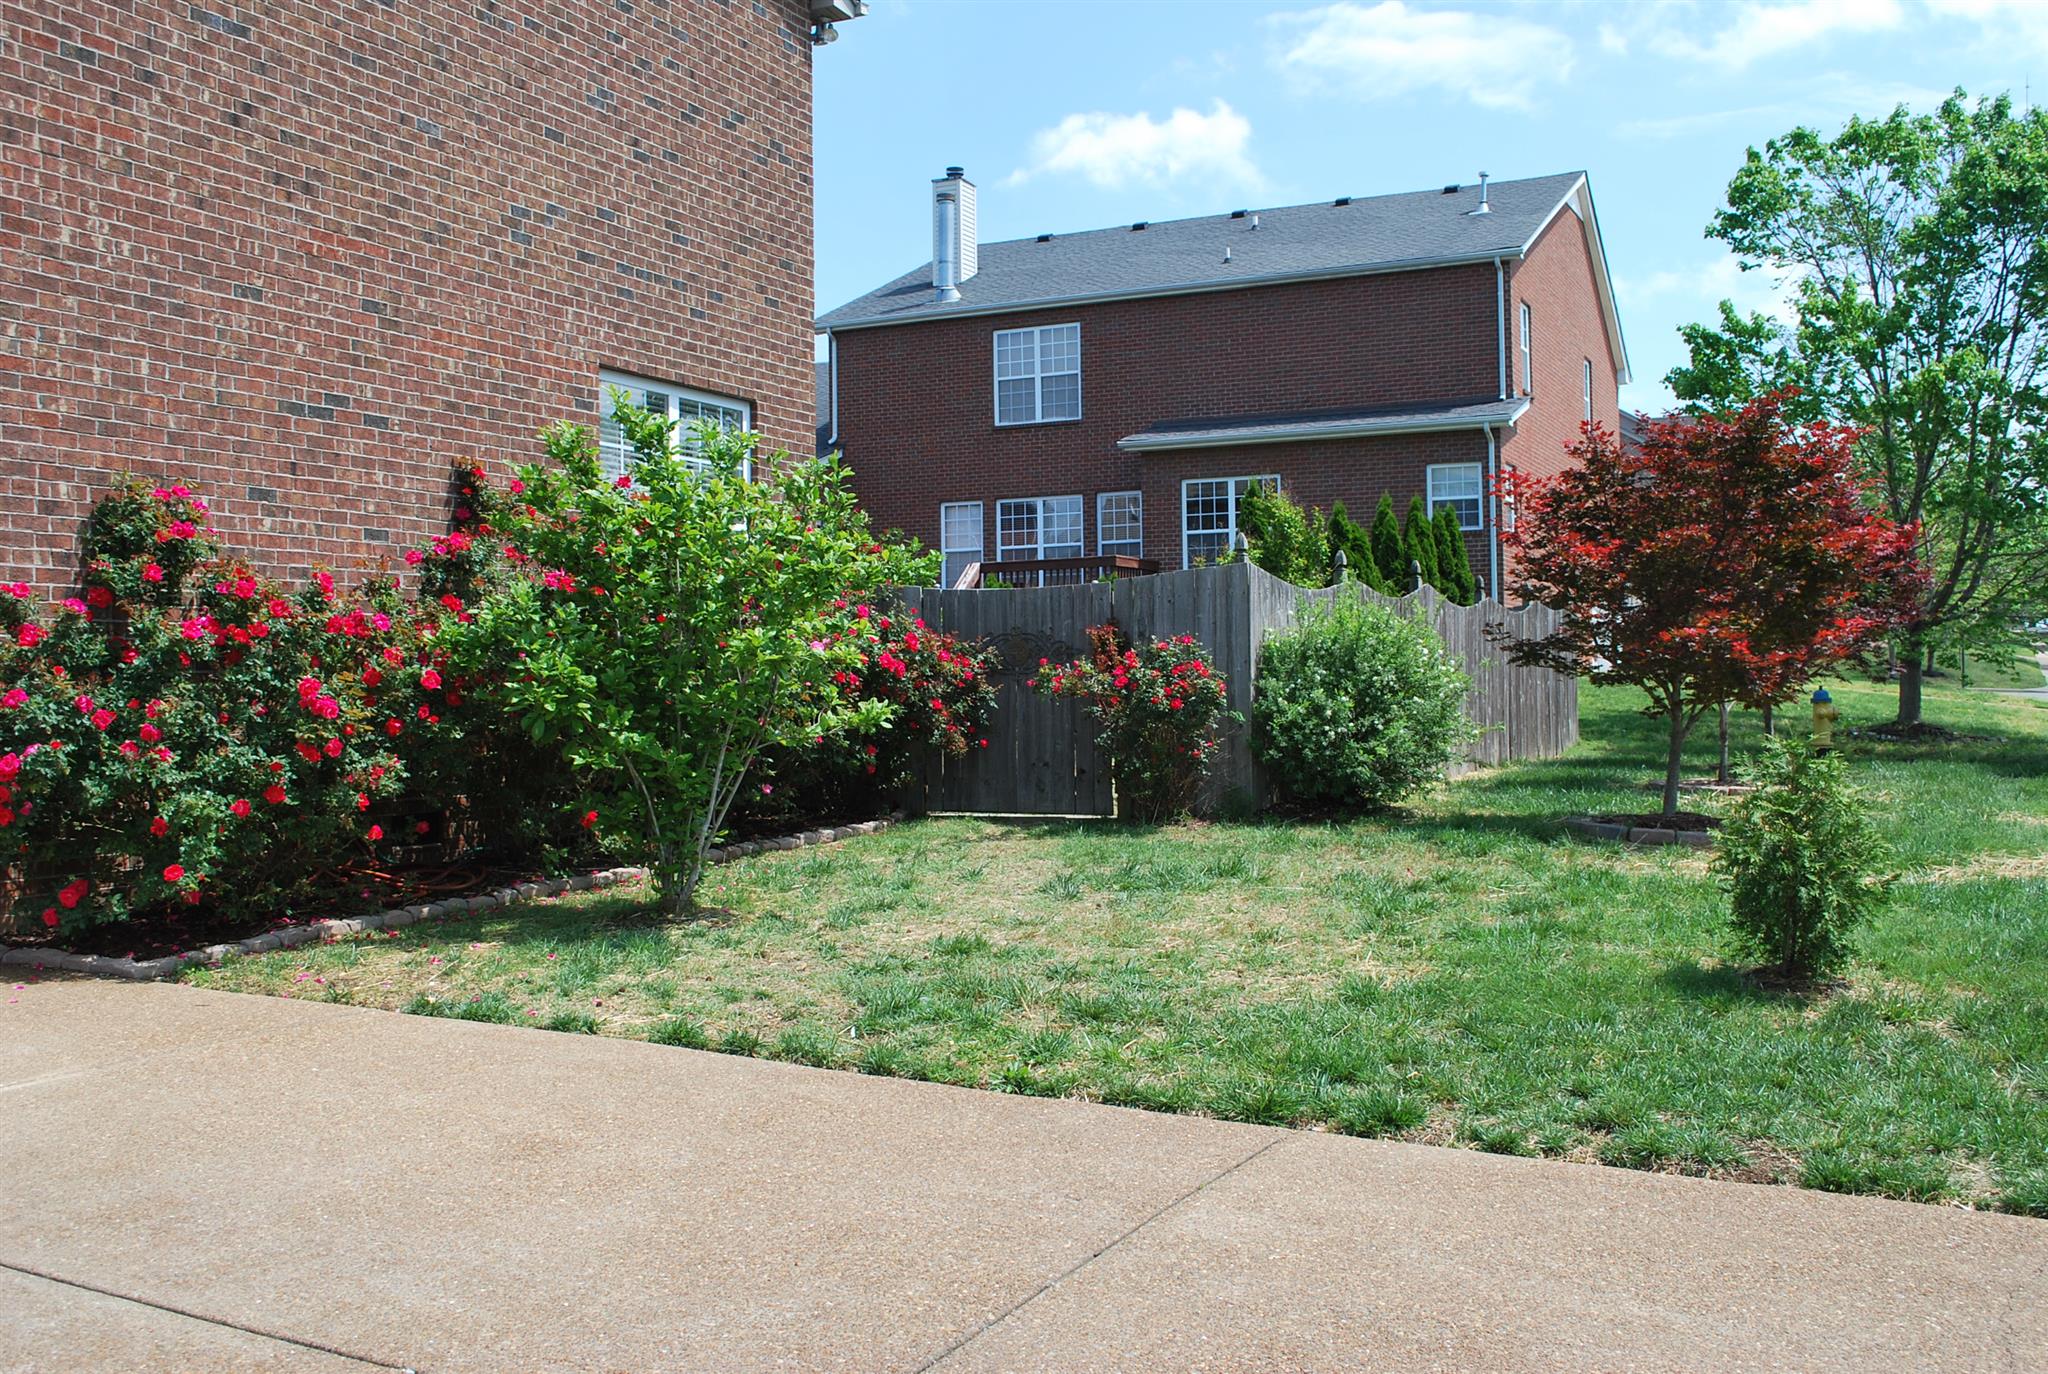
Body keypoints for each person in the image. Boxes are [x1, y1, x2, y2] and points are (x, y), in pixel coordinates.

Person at [1810, 686, 1840, 756]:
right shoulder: (1822, 712)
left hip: (1819, 741)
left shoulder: (1822, 712)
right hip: (1824, 742)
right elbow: (1821, 713)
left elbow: (1821, 713)